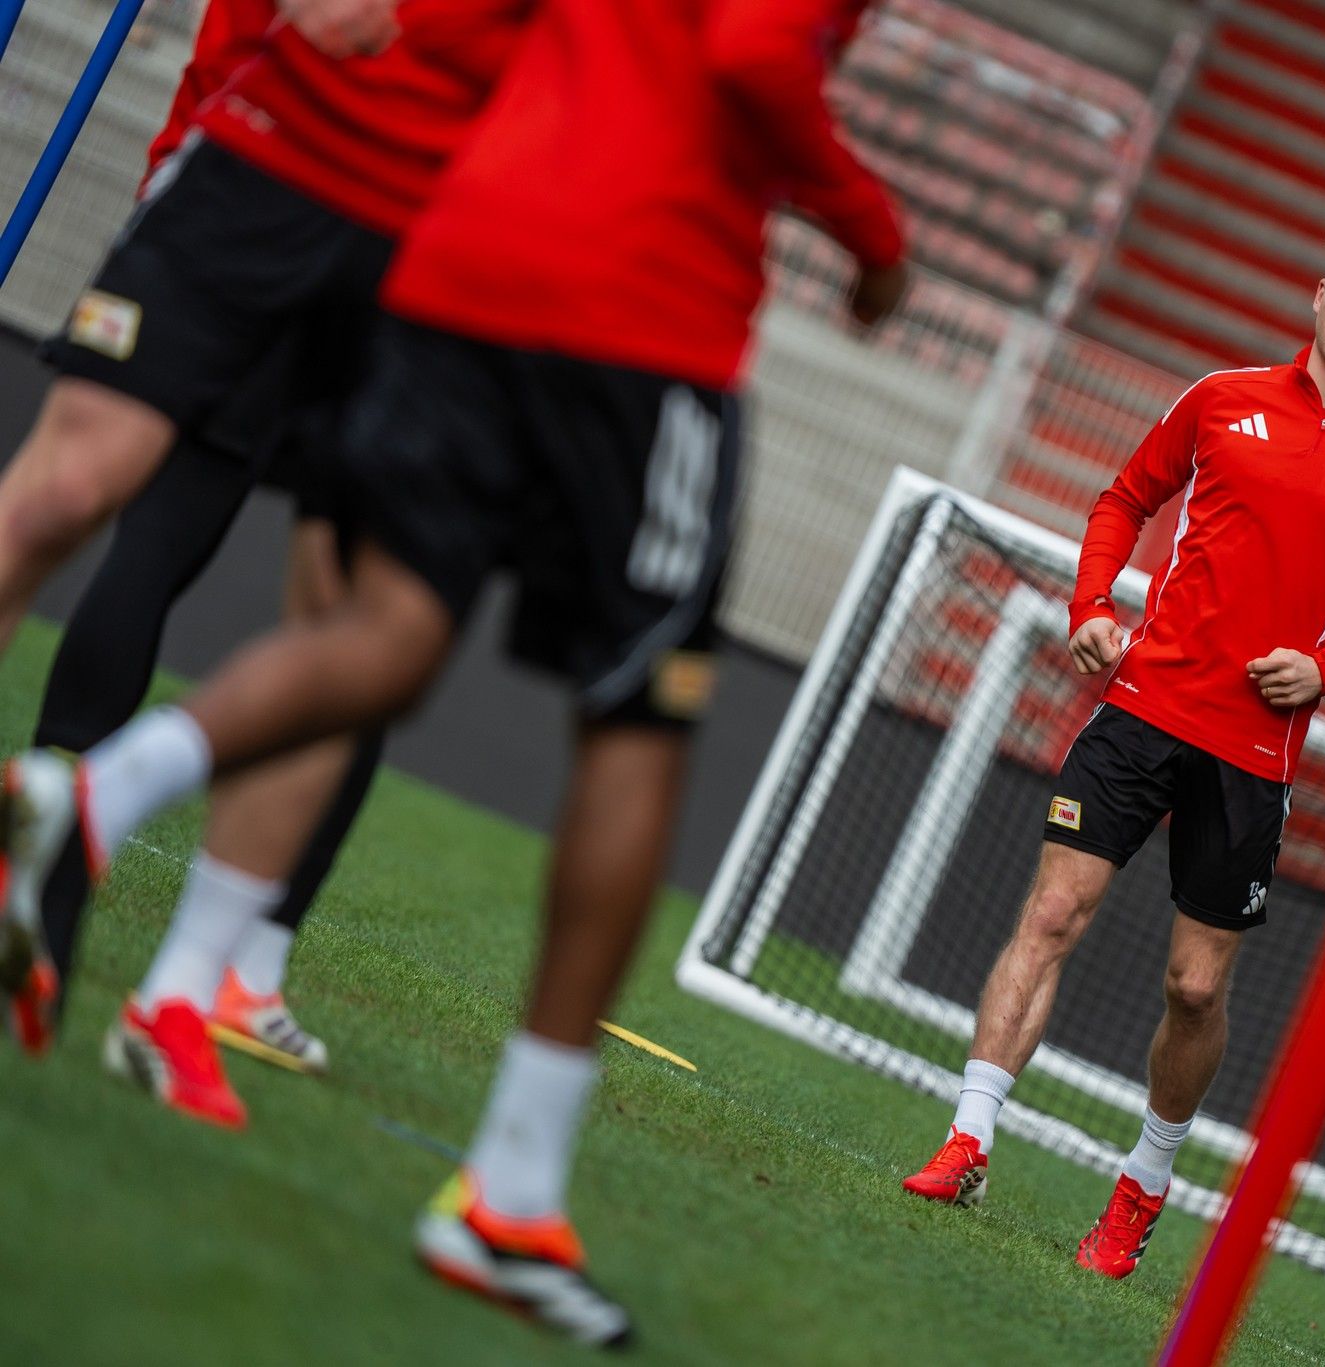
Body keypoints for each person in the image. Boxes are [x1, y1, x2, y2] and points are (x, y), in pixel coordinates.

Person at [1, 0, 906, 1343]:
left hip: (449, 241)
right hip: (515, 252)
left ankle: (150, 908)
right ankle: (506, 1184)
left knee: (366, 622)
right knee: (630, 728)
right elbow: (751, 53)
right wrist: (873, 233)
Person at [900, 213, 1325, 1281]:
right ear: (1316, 292)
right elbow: (1125, 497)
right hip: (1143, 705)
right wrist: (1088, 602)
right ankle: (967, 1137)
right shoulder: (1222, 398)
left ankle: (1142, 1189)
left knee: (1195, 988)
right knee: (1051, 913)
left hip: (1254, 753)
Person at [20, 0, 378, 1073]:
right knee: (370, 619)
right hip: (345, 224)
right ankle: (224, 966)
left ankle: (67, 894)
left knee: (163, 544)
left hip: (254, 199)